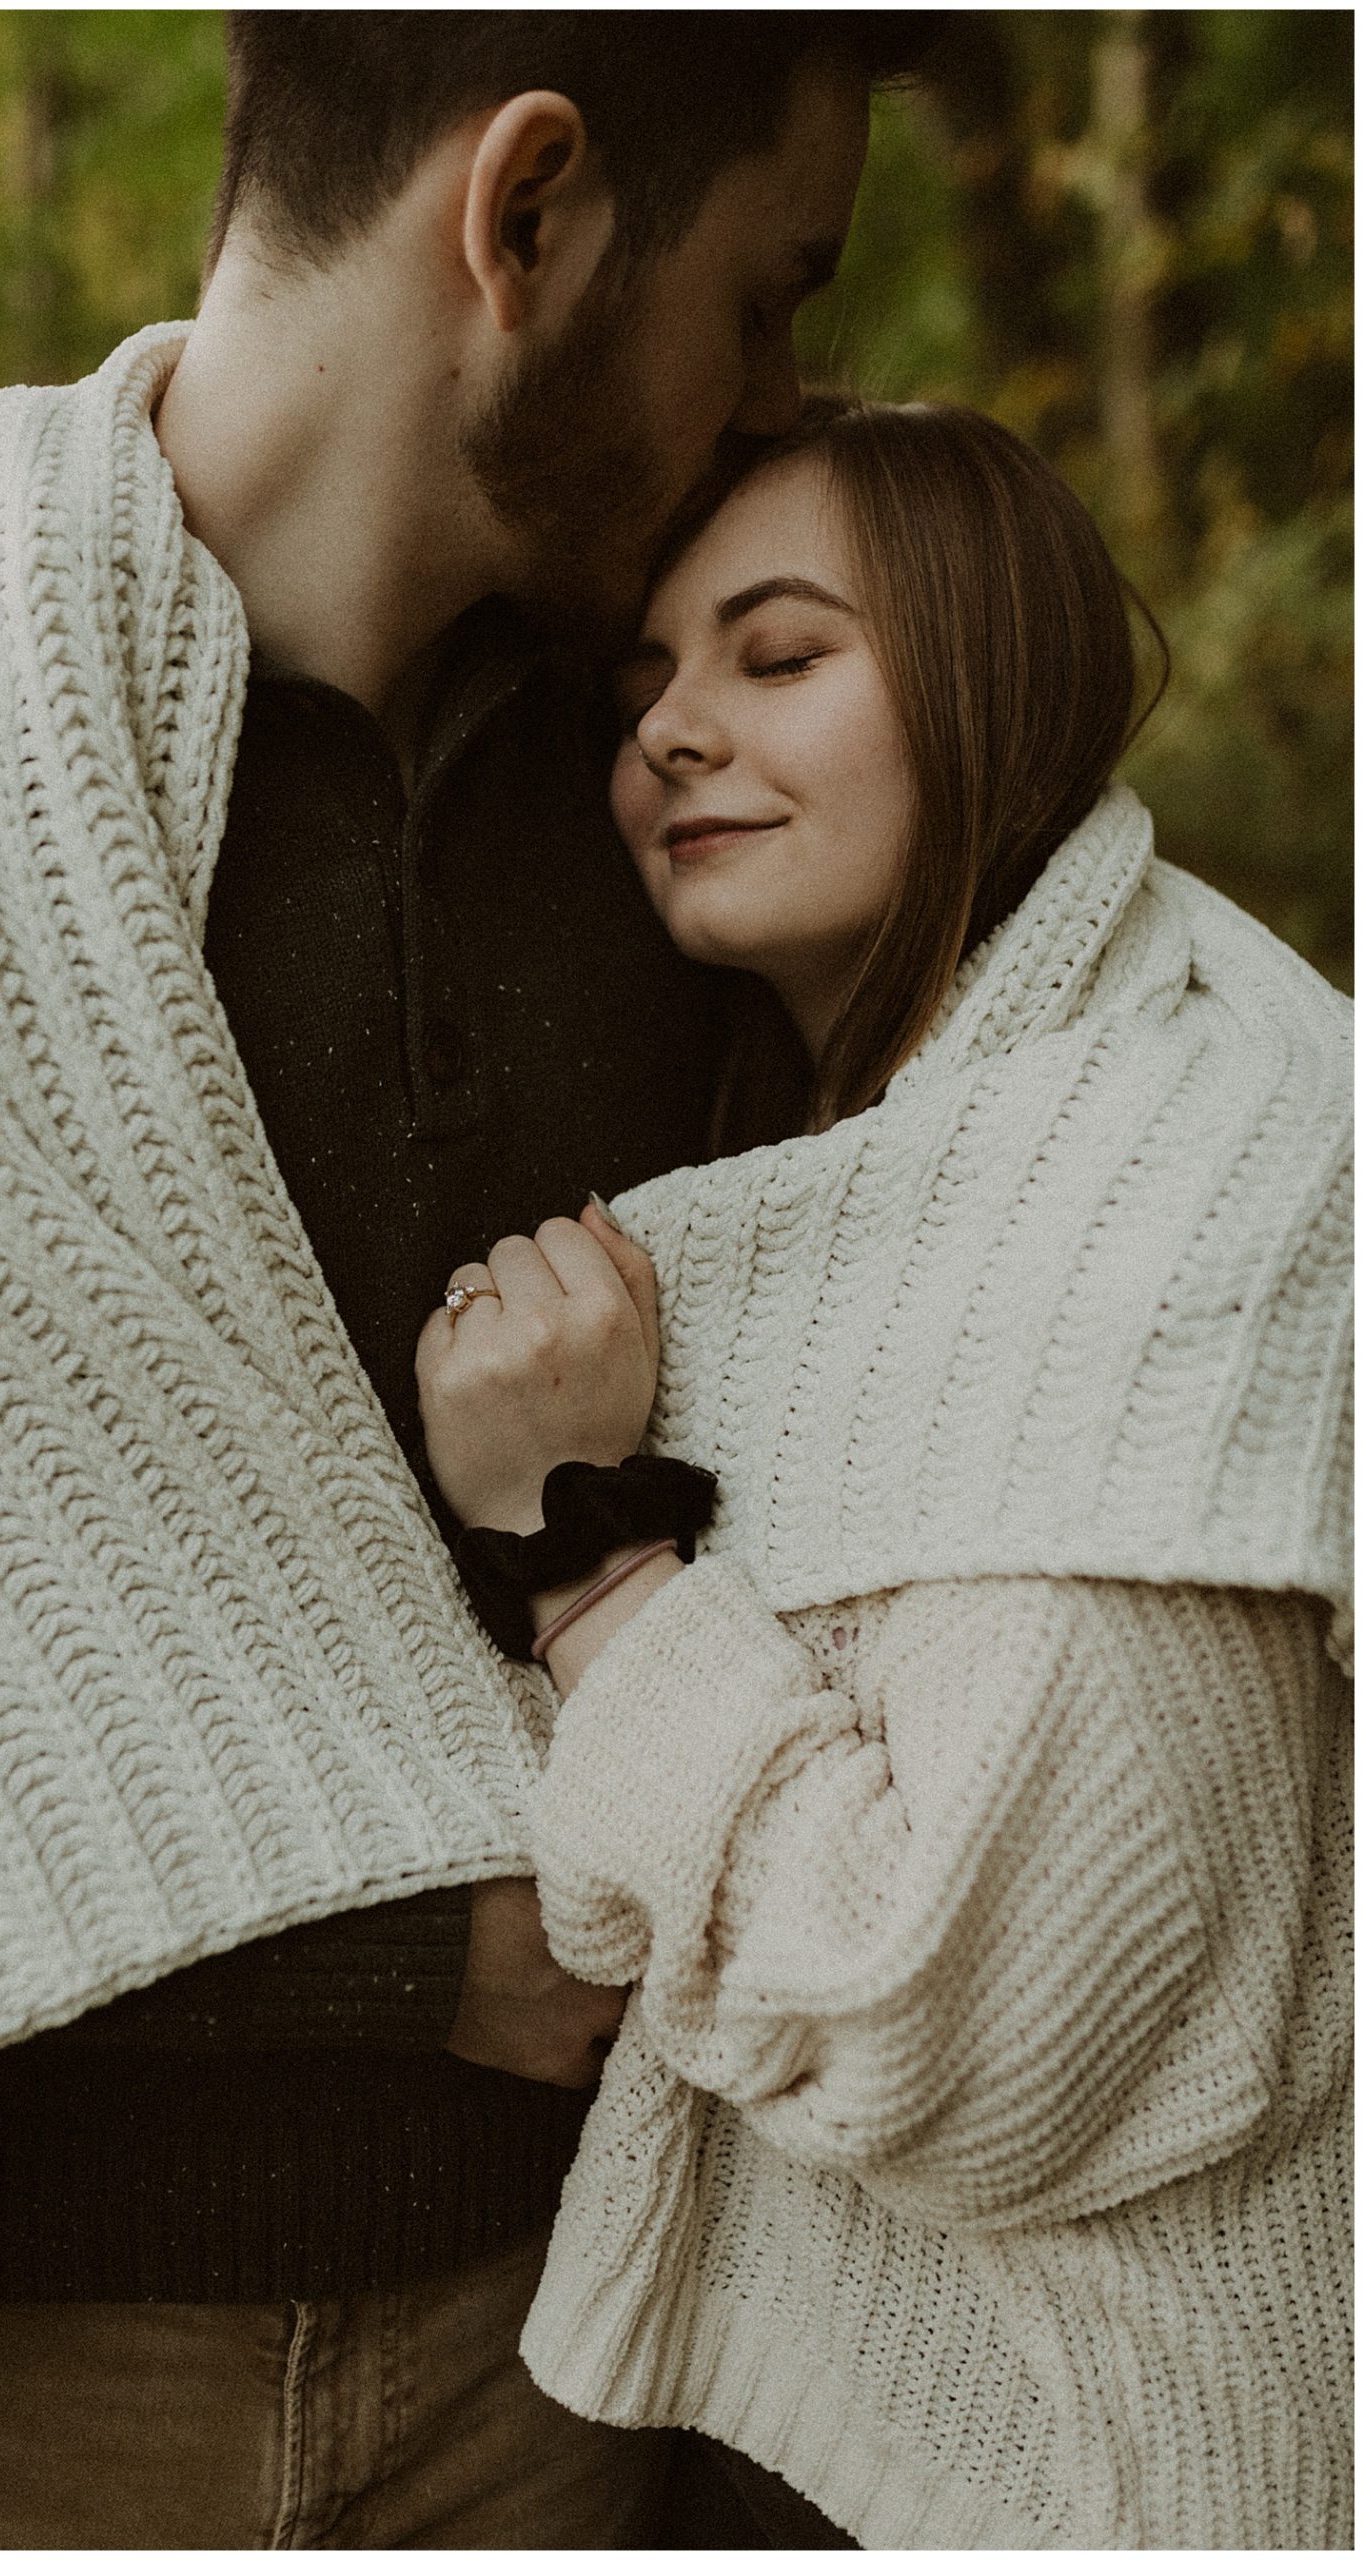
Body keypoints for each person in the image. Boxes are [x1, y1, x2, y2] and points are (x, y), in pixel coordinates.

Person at [0, 12, 950, 2549]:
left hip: (578, 2357)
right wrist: (388, 1948)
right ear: (528, 213)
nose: (775, 394)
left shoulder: (699, 816)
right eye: (764, 297)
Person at [416, 397, 1353, 2550]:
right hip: (853, 2423)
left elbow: (975, 2016)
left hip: (1084, 2474)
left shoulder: (1170, 1174)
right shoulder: (885, 1152)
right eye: (643, 679)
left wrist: (588, 1560)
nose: (666, 729)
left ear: (983, 676)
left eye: (776, 653)